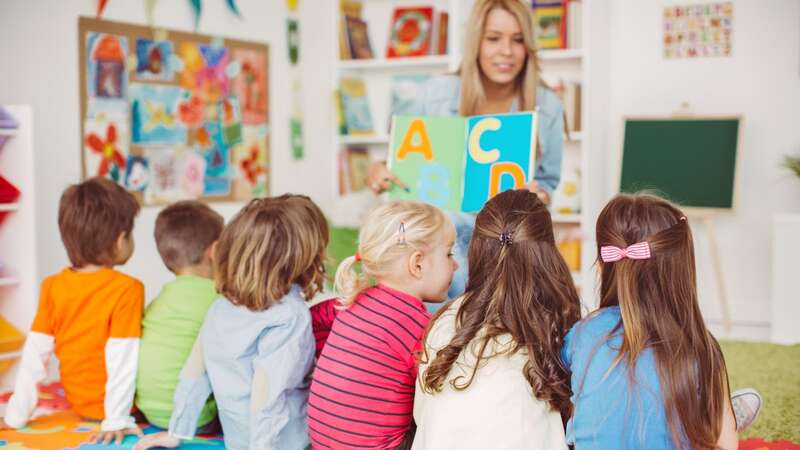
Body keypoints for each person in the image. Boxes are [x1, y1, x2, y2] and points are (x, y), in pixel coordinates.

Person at [367, 0, 565, 299]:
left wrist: (540, 195)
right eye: (494, 38)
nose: (507, 51)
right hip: (433, 256)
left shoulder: (547, 105)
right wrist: (380, 169)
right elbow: (406, 157)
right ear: (476, 42)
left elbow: (548, 181)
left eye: (518, 40)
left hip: (505, 254)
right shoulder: (435, 93)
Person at [134, 195, 328, 450]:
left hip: (238, 441)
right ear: (304, 256)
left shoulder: (220, 306)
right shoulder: (290, 315)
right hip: (283, 443)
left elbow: (194, 371)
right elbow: (267, 396)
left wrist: (177, 430)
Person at [562, 193, 740, 449]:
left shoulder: (582, 333)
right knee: (716, 416)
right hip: (703, 419)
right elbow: (726, 445)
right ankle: (731, 411)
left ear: (602, 264)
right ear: (682, 269)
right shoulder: (700, 346)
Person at [413, 189, 580, 449]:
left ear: (477, 250)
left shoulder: (446, 321)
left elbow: (421, 413)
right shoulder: (557, 322)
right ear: (548, 253)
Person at [2, 177, 144, 445]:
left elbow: (35, 355)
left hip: (79, 404)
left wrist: (16, 415)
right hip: (118, 409)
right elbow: (122, 358)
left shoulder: (52, 287)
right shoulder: (127, 289)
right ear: (120, 240)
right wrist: (115, 419)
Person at [308, 201, 457, 450]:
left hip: (321, 443)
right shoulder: (416, 325)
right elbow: (441, 387)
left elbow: (313, 319)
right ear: (417, 264)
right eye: (449, 254)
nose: (456, 264)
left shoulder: (351, 301)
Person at [135, 201, 224, 432]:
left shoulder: (159, 301)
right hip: (198, 418)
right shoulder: (219, 299)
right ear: (214, 251)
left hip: (150, 410)